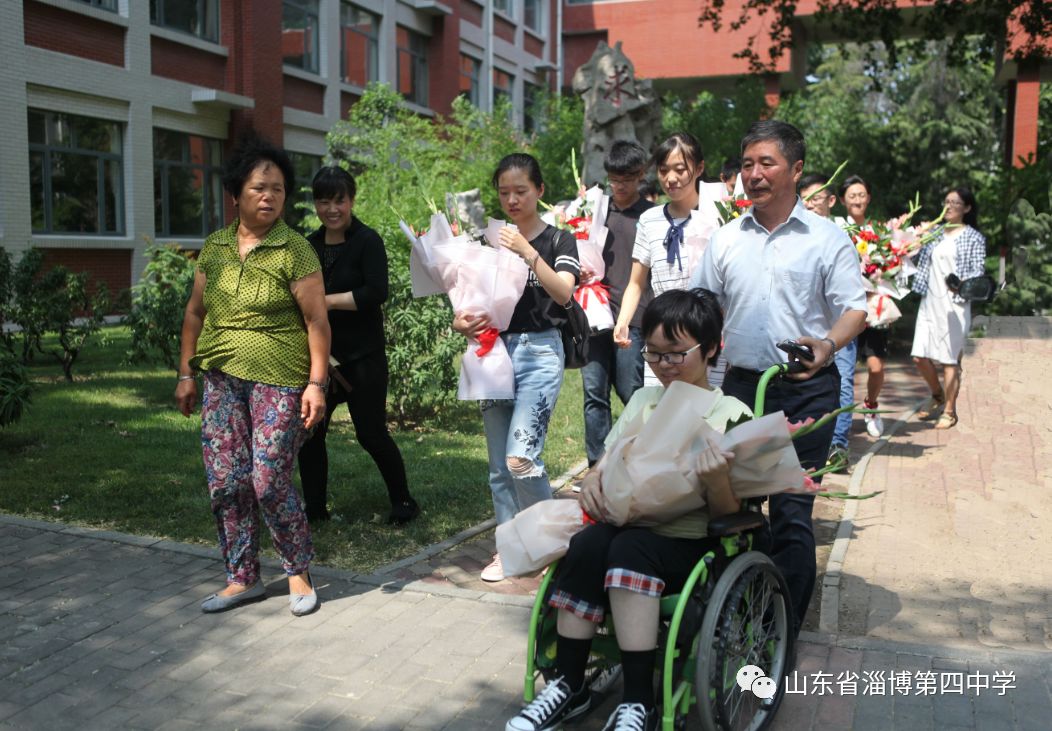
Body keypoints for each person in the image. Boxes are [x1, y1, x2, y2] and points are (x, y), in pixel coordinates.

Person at [505, 289, 751, 731]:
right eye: (654, 355)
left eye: (676, 355)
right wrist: (596, 480)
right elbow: (607, 463)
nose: (663, 367)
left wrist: (716, 479)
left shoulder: (730, 413)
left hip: (688, 544)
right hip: (621, 529)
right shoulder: (642, 402)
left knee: (630, 548)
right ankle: (568, 685)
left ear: (712, 348)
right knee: (585, 545)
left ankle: (640, 702)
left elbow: (733, 511)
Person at [691, 120, 867, 635]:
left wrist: (829, 344)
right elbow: (703, 307)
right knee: (735, 505)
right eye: (747, 164)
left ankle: (777, 630)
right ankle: (735, 608)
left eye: (766, 163)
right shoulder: (726, 239)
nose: (754, 174)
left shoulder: (827, 238)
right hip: (743, 389)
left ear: (796, 169)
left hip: (806, 387)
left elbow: (854, 309)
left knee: (791, 511)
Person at [175, 133, 330, 617]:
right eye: (261, 187)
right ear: (237, 192)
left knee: (268, 480)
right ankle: (242, 577)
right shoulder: (216, 247)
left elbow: (317, 321)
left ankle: (298, 572)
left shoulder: (294, 249)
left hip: (280, 381)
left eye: (279, 189)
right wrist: (185, 373)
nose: (270, 196)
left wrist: (316, 383)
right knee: (226, 481)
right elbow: (195, 313)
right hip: (221, 378)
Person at [453, 153, 580, 582]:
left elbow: (564, 293)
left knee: (521, 458)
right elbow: (464, 302)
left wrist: (526, 252)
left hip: (540, 354)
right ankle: (508, 548)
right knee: (498, 467)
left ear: (539, 191)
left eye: (520, 191)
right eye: (504, 192)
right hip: (492, 353)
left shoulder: (559, 241)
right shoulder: (486, 241)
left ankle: (547, 546)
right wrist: (460, 321)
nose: (511, 199)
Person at [296, 167, 419, 525]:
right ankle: (314, 509)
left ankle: (404, 502)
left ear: (351, 200)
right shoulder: (309, 245)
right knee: (310, 433)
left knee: (371, 433)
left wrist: (325, 301)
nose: (332, 208)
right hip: (323, 360)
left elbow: (375, 292)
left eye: (339, 200)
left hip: (363, 357)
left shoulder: (368, 240)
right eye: (323, 200)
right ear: (315, 203)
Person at [613, 132, 710, 387]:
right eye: (664, 170)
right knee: (664, 415)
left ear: (699, 168)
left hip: (705, 336)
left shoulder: (717, 217)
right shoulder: (649, 220)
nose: (671, 178)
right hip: (662, 339)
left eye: (680, 169)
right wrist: (623, 322)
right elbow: (636, 282)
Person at [580, 141, 653, 468]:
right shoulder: (593, 213)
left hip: (633, 318)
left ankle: (637, 457)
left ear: (641, 176)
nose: (620, 187)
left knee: (631, 391)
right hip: (593, 316)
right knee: (594, 394)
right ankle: (598, 464)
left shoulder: (649, 217)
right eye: (614, 179)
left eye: (627, 179)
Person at [910, 186, 986, 430]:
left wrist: (962, 285)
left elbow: (977, 272)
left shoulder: (974, 237)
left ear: (967, 208)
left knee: (950, 360)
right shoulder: (933, 233)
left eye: (955, 202)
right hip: (929, 302)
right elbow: (909, 256)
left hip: (955, 305)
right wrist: (916, 237)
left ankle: (950, 411)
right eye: (947, 201)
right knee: (919, 356)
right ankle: (937, 394)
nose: (949, 206)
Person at [800, 172, 855, 473]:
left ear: (831, 201)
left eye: (816, 198)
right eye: (805, 198)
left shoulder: (841, 233)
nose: (810, 204)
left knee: (843, 380)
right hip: (804, 326)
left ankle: (837, 446)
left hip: (838, 324)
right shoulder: (794, 231)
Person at [839, 174, 887, 438]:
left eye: (861, 195)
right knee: (844, 371)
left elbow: (893, 266)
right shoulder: (837, 229)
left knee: (876, 366)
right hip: (846, 310)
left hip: (873, 308)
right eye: (852, 195)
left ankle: (870, 405)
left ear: (868, 198)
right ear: (843, 200)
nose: (857, 200)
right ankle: (840, 422)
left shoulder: (880, 232)